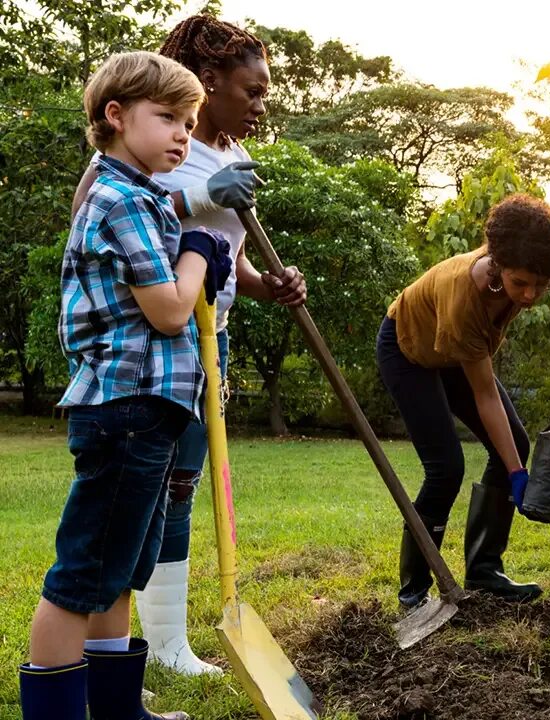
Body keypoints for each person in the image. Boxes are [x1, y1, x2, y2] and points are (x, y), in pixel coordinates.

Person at [70, 15, 306, 676]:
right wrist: (198, 196)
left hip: (209, 338)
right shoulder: (146, 151)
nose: (262, 104)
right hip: (148, 342)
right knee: (145, 490)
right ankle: (154, 645)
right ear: (209, 82)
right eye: (252, 90)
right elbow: (95, 216)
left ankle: (168, 644)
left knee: (179, 483)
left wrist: (269, 285)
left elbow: (221, 261)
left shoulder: (232, 156)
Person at [20, 51, 232, 720]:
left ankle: (116, 709)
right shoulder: (118, 199)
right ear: (115, 116)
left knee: (122, 571)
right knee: (82, 577)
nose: (183, 134)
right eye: (168, 117)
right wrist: (199, 253)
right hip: (127, 408)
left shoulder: (141, 196)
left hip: (150, 410)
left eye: (191, 122)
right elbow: (169, 310)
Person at [378, 194, 550, 607]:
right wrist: (516, 473)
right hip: (409, 351)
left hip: (454, 352)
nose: (529, 295)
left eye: (540, 285)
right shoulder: (464, 295)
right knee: (445, 468)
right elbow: (485, 396)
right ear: (497, 264)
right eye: (520, 283)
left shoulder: (536, 262)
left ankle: (485, 572)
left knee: (514, 445)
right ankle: (414, 589)